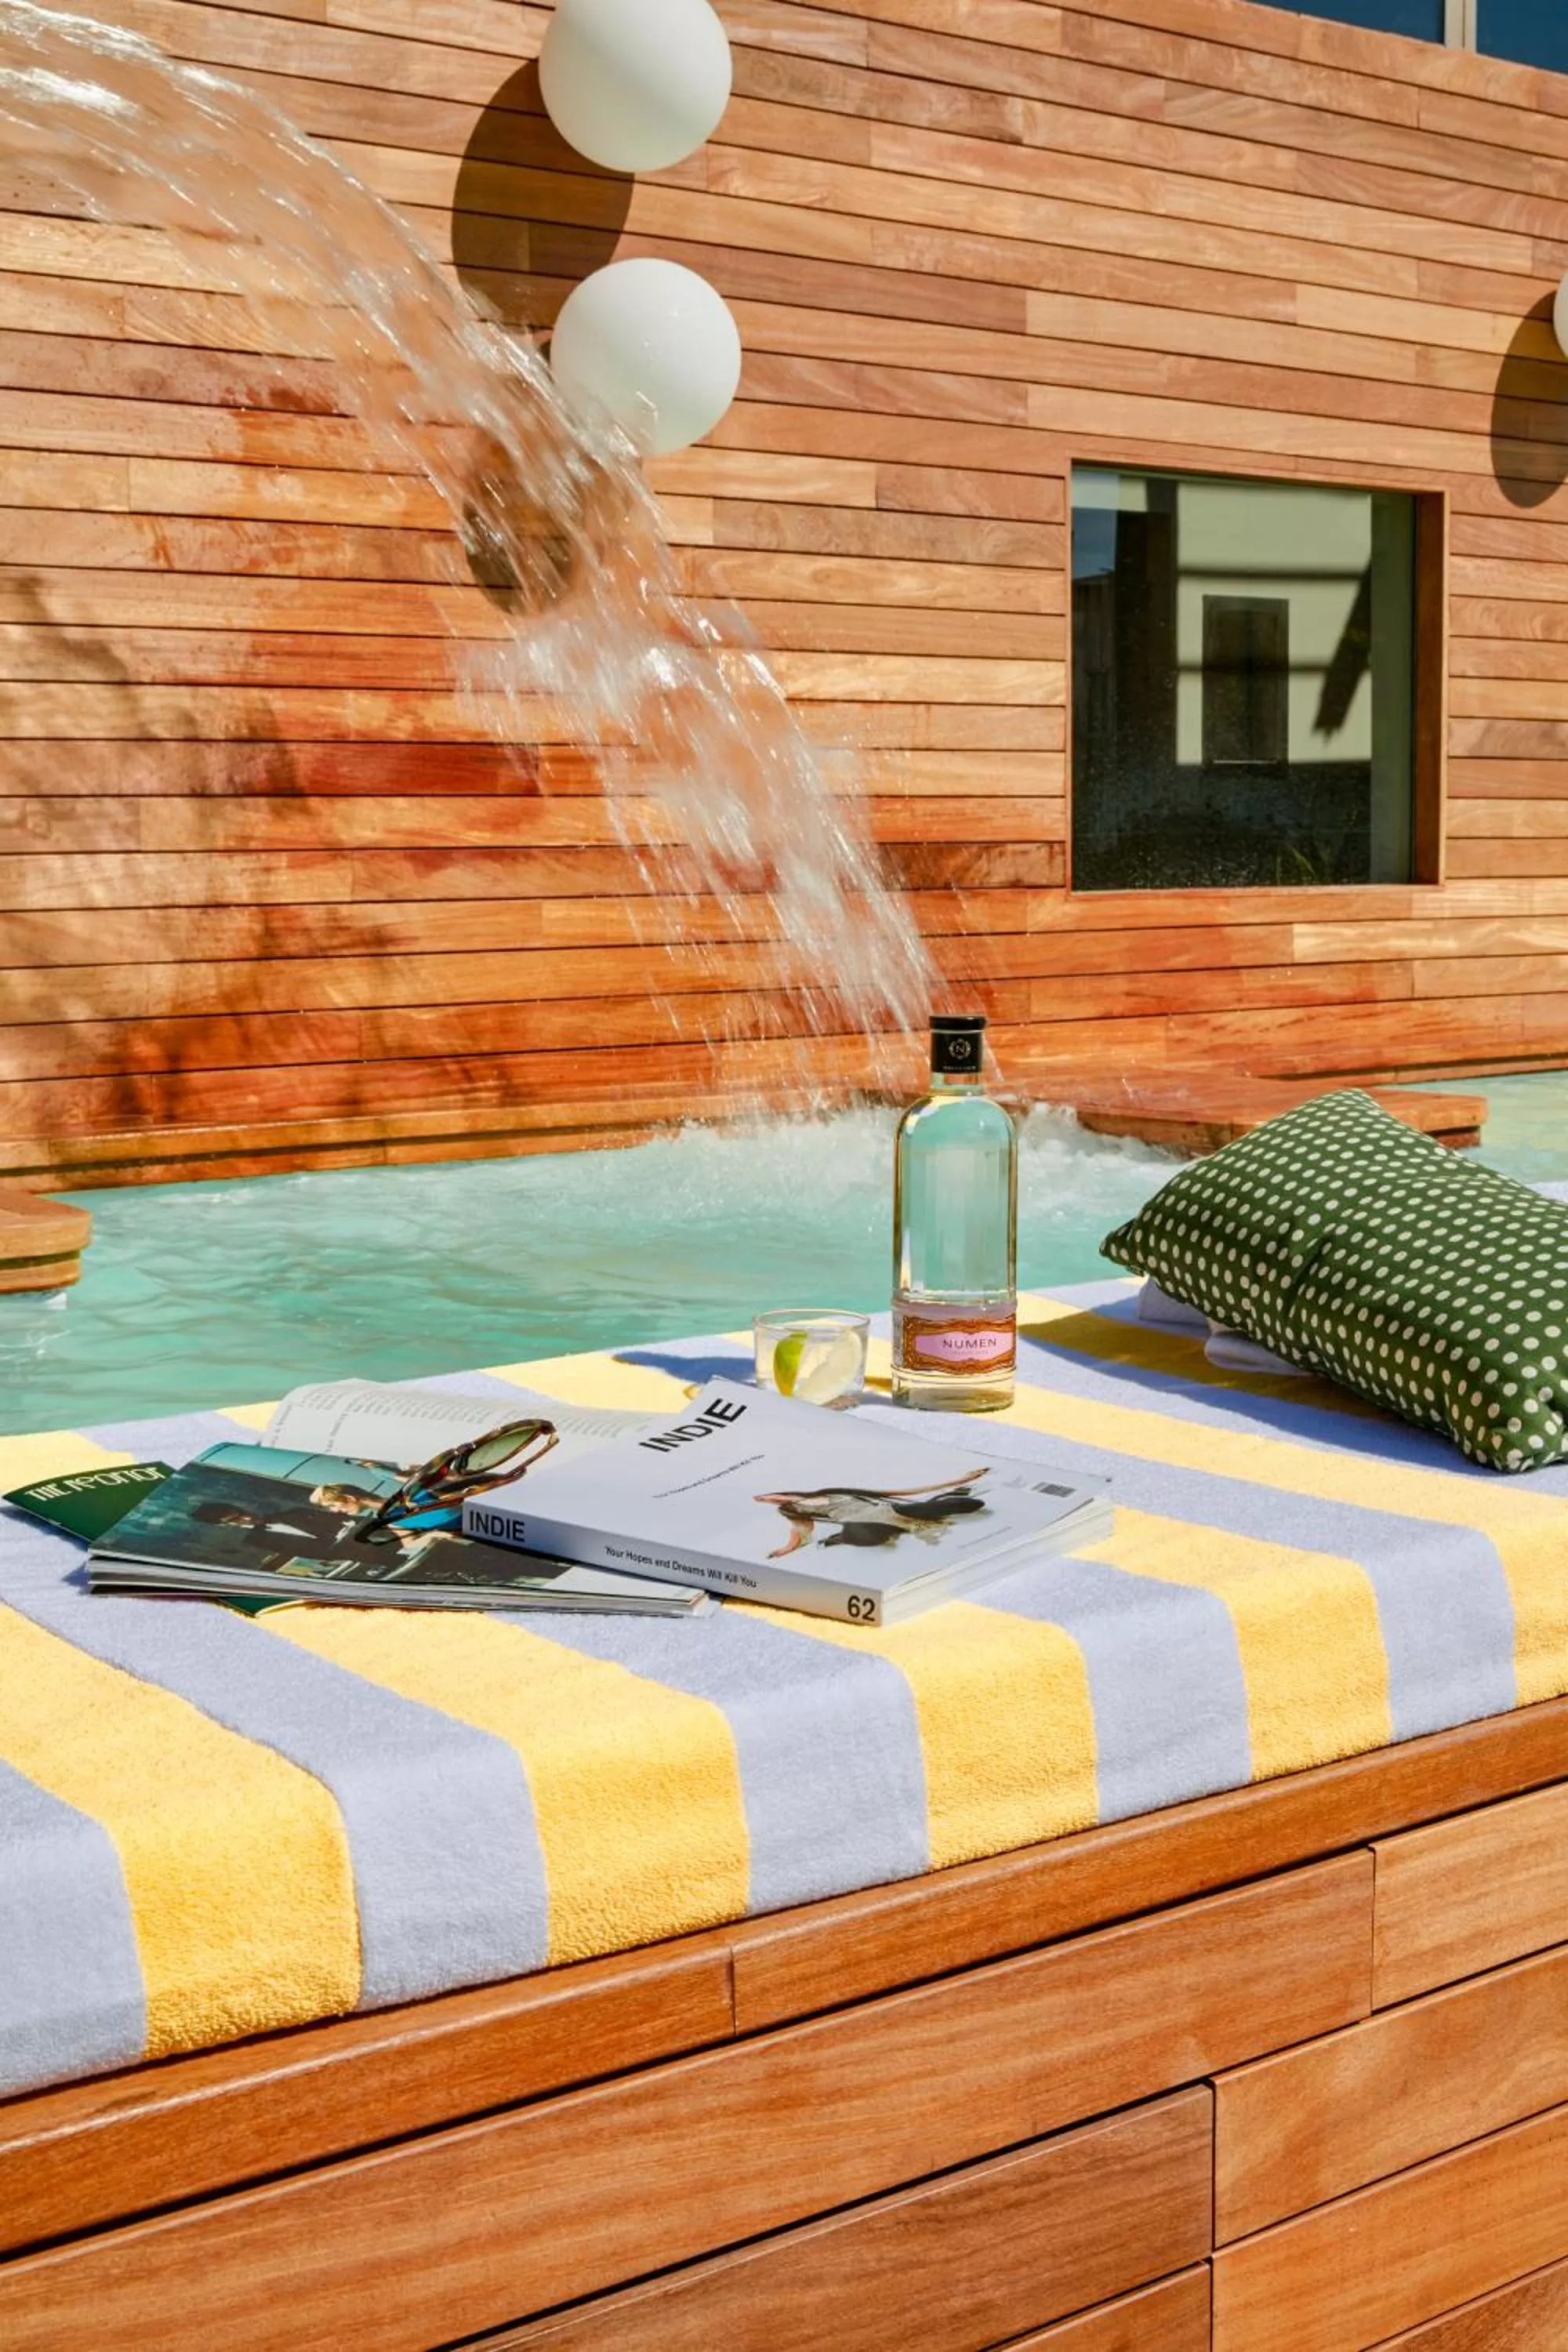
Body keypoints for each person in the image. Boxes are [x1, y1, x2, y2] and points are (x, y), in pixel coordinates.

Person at [756, 1470, 990, 1559]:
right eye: (772, 1500)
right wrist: (785, 1550)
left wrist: (961, 1479)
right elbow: (801, 1531)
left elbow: (901, 1492)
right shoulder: (794, 1511)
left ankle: (954, 1500)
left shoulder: (828, 1493)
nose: (775, 1500)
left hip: (885, 1511)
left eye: (777, 1497)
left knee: (929, 1509)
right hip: (862, 1524)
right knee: (858, 1534)